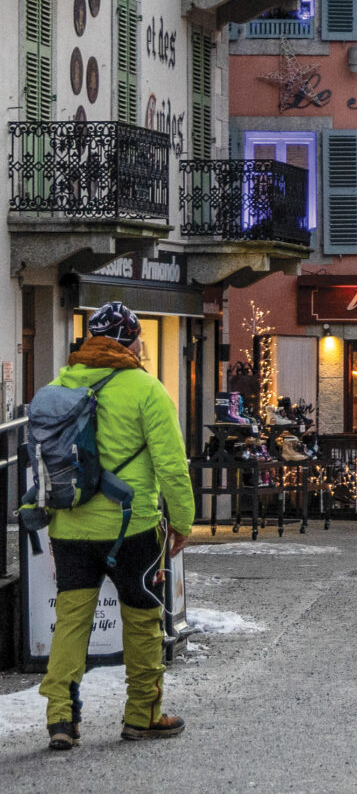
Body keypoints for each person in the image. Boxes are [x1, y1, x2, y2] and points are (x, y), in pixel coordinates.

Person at [36, 302, 193, 749]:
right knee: (142, 620)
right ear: (132, 340)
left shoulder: (60, 385)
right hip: (133, 530)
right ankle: (143, 715)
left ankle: (61, 720)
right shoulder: (145, 389)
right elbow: (171, 466)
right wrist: (182, 522)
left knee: (70, 623)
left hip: (69, 528)